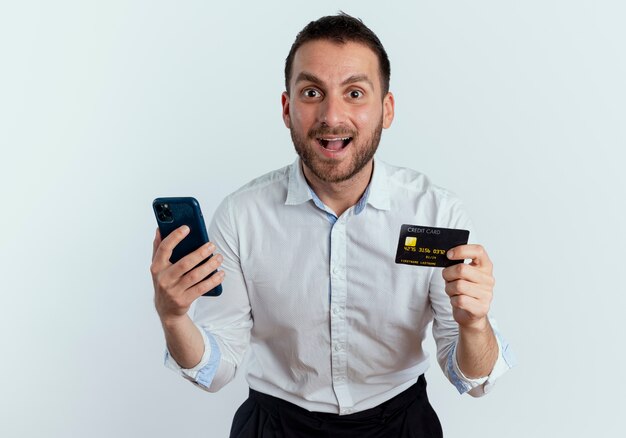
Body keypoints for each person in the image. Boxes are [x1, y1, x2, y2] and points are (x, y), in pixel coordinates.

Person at [150, 13, 515, 438]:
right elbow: (216, 369)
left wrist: (474, 325)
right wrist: (174, 318)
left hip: (400, 424)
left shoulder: (435, 214)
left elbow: (470, 379)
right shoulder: (240, 216)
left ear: (387, 109)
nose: (332, 115)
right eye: (311, 92)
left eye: (355, 92)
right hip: (275, 425)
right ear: (287, 109)